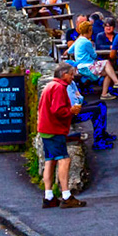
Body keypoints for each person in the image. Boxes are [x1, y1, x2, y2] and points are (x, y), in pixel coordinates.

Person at [37, 63, 87, 208]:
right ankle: (66, 195)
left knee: (50, 160)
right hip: (54, 129)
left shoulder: (50, 85)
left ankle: (48, 196)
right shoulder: (59, 88)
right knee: (64, 160)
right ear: (63, 74)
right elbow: (58, 110)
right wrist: (71, 111)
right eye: (71, 74)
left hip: (45, 128)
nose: (72, 77)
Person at [71, 20, 118, 100]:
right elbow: (94, 55)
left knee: (108, 72)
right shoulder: (87, 42)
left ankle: (105, 94)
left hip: (80, 66)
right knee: (106, 63)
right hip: (87, 67)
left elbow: (69, 51)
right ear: (89, 31)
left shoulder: (78, 40)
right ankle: (116, 82)